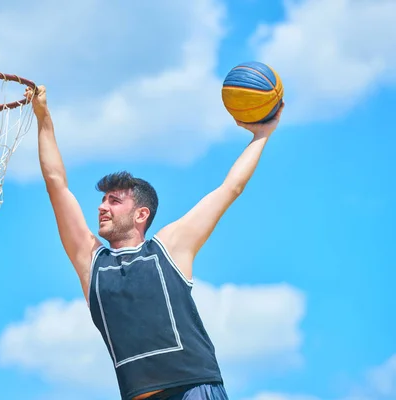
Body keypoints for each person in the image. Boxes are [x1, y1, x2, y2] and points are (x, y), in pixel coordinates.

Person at [25, 85, 284, 400]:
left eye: (114, 201)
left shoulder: (169, 247)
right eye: (102, 200)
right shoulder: (91, 262)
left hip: (194, 389)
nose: (101, 207)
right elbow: (56, 184)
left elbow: (230, 187)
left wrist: (262, 135)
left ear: (140, 214)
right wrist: (43, 116)